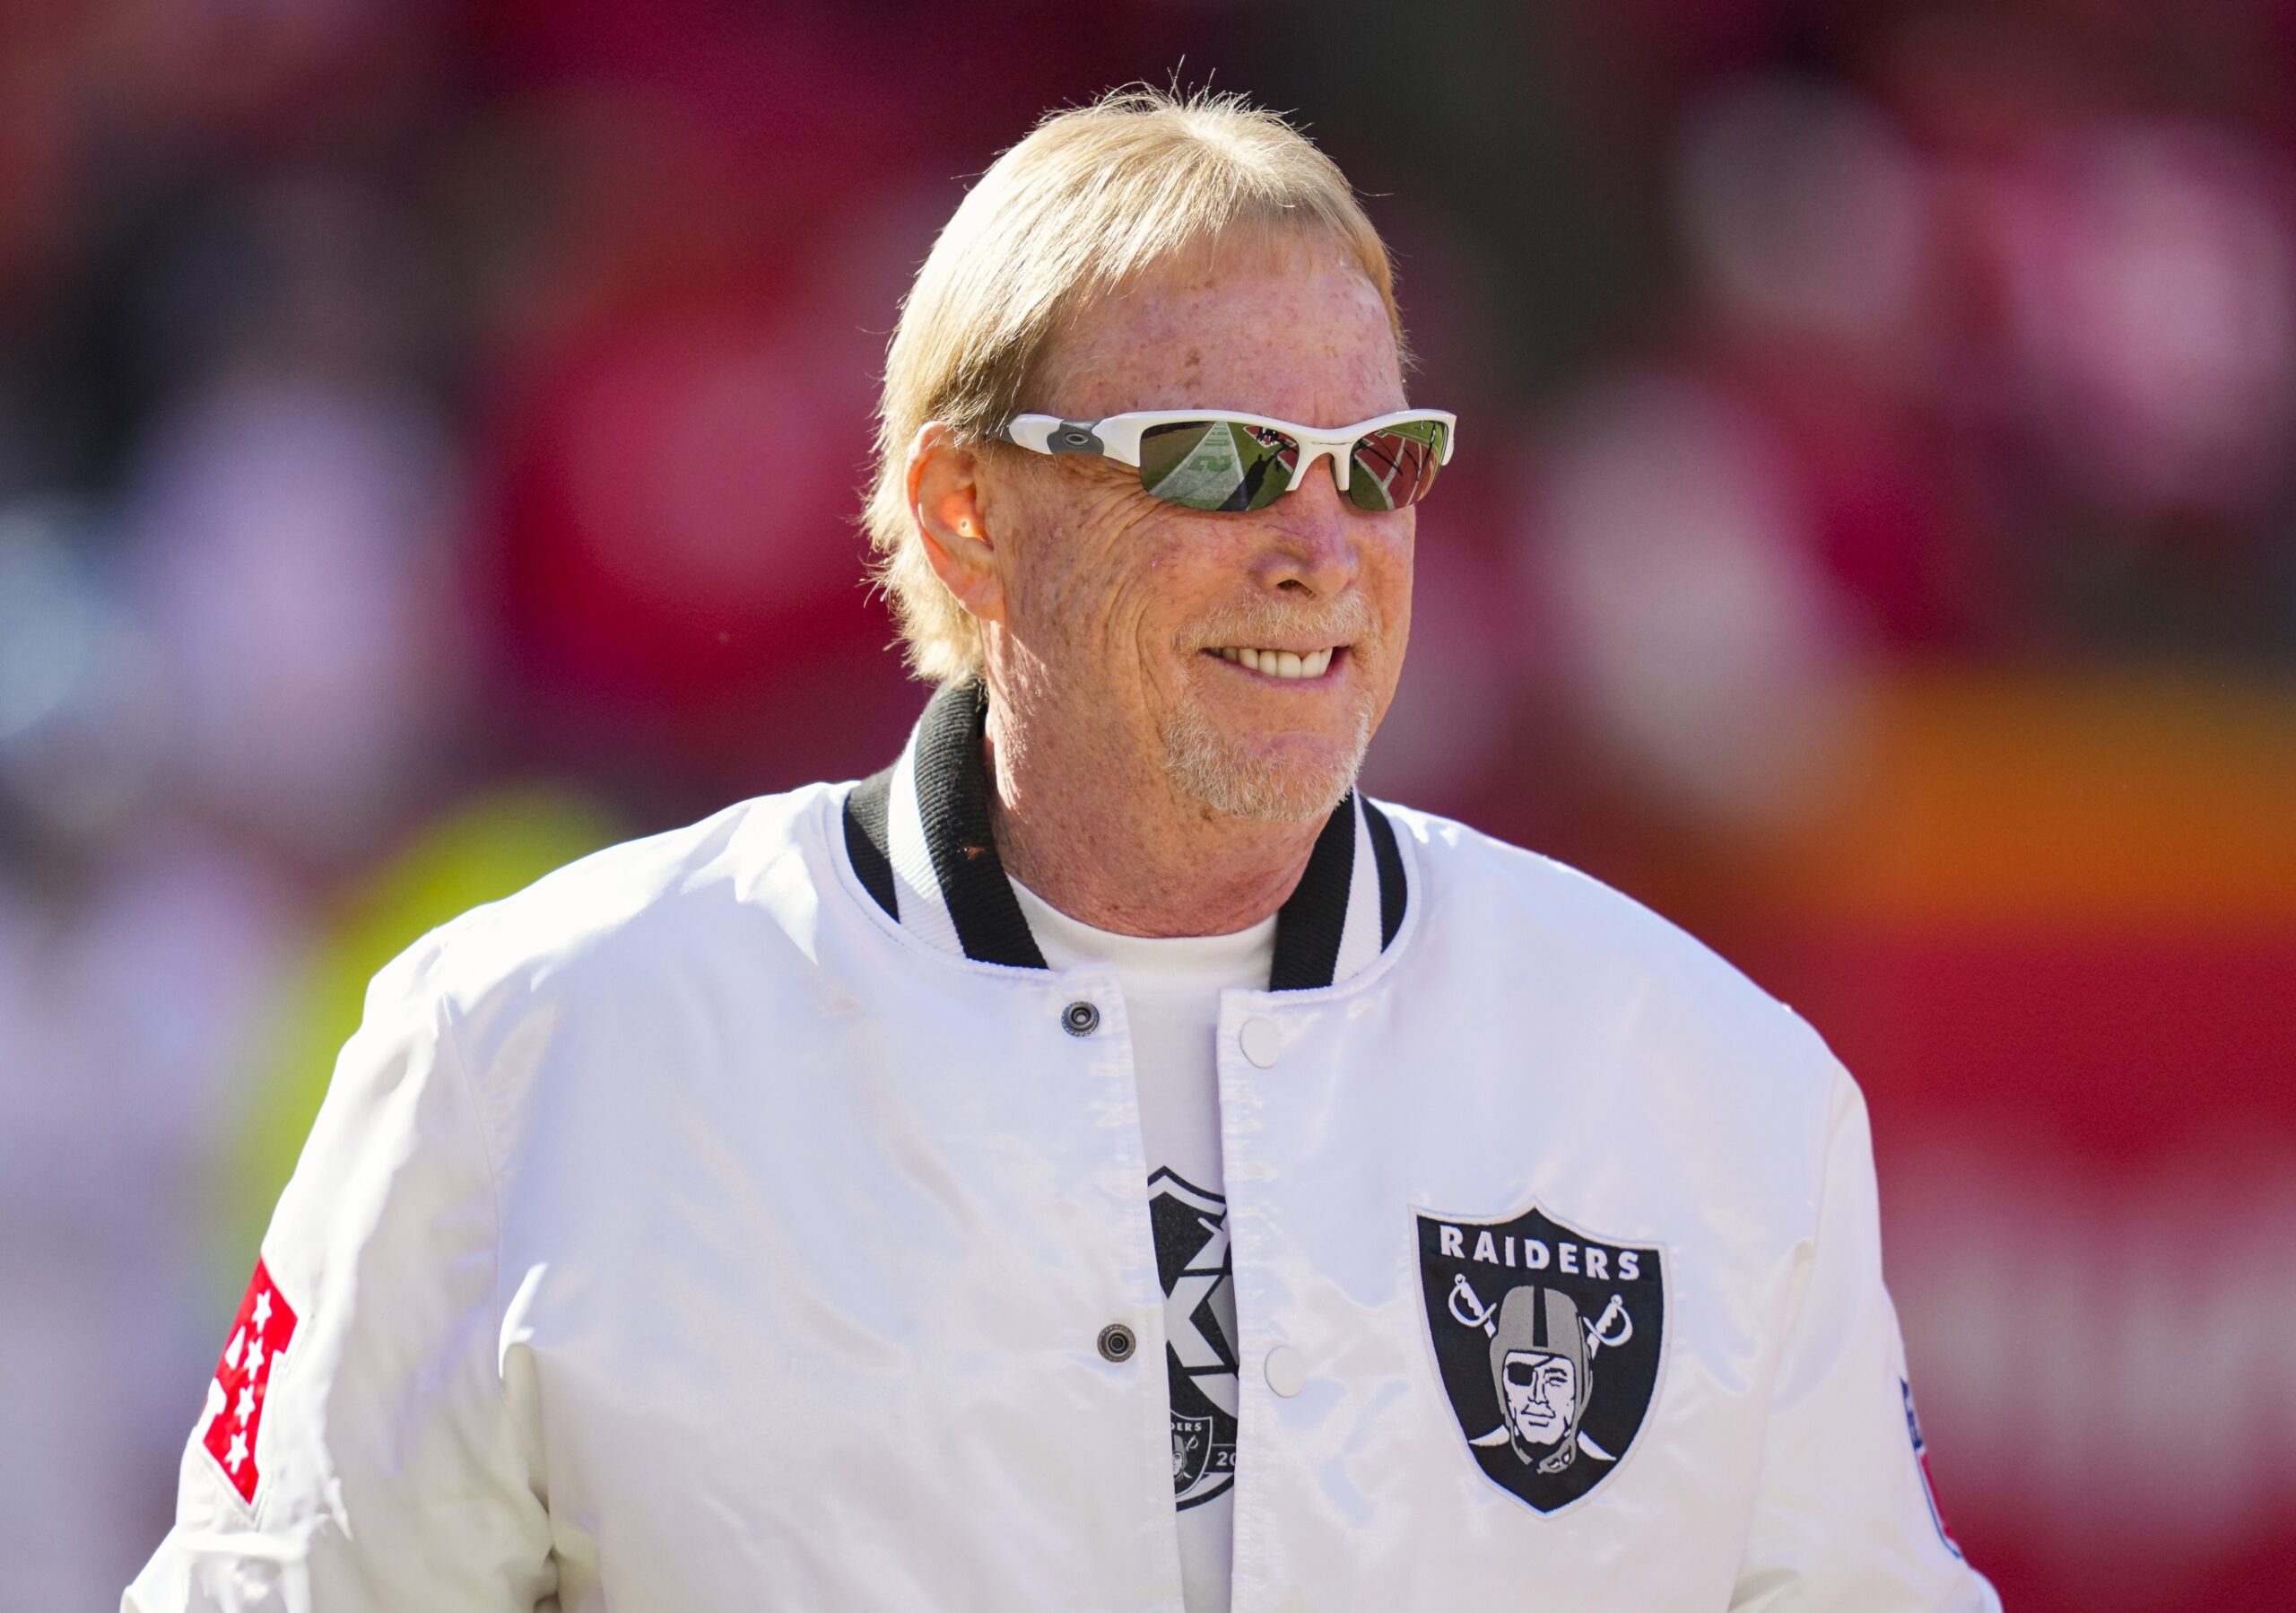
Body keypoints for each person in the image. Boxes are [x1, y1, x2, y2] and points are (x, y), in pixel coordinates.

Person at [126, 89, 1998, 1611]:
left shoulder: (1710, 1084)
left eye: (1383, 463)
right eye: (1218, 460)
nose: (1320, 543)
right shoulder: (522, 1040)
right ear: (964, 517)